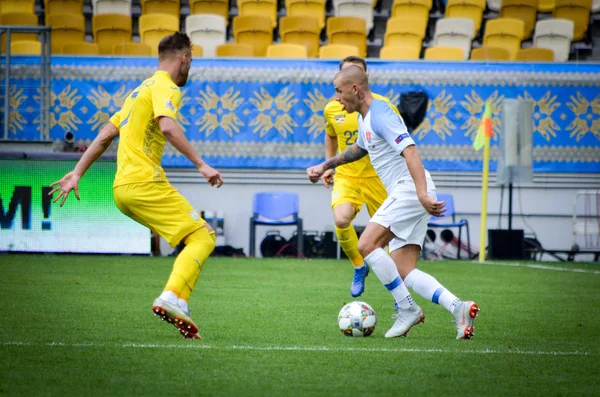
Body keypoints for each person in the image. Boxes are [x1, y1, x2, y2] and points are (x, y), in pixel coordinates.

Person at [49, 32, 223, 340]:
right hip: (145, 182)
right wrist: (201, 164)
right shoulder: (165, 87)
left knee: (191, 237)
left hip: (122, 190)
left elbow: (104, 135)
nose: (189, 68)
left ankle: (179, 302)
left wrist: (76, 173)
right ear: (183, 58)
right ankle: (172, 298)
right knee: (204, 237)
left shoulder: (137, 92)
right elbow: (168, 126)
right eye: (191, 61)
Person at [307, 65, 479, 339]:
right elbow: (357, 151)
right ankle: (458, 307)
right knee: (404, 269)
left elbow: (410, 151)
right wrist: (325, 165)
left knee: (366, 245)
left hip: (409, 189)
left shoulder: (382, 114)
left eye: (339, 92)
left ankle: (407, 308)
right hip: (410, 191)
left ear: (355, 89)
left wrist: (422, 194)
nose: (337, 99)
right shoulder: (365, 118)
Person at [322, 56, 400, 298]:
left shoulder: (383, 105)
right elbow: (331, 134)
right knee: (342, 219)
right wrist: (328, 166)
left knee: (391, 242)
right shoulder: (332, 107)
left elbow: (400, 141)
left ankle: (400, 297)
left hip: (379, 177)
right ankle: (358, 265)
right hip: (348, 176)